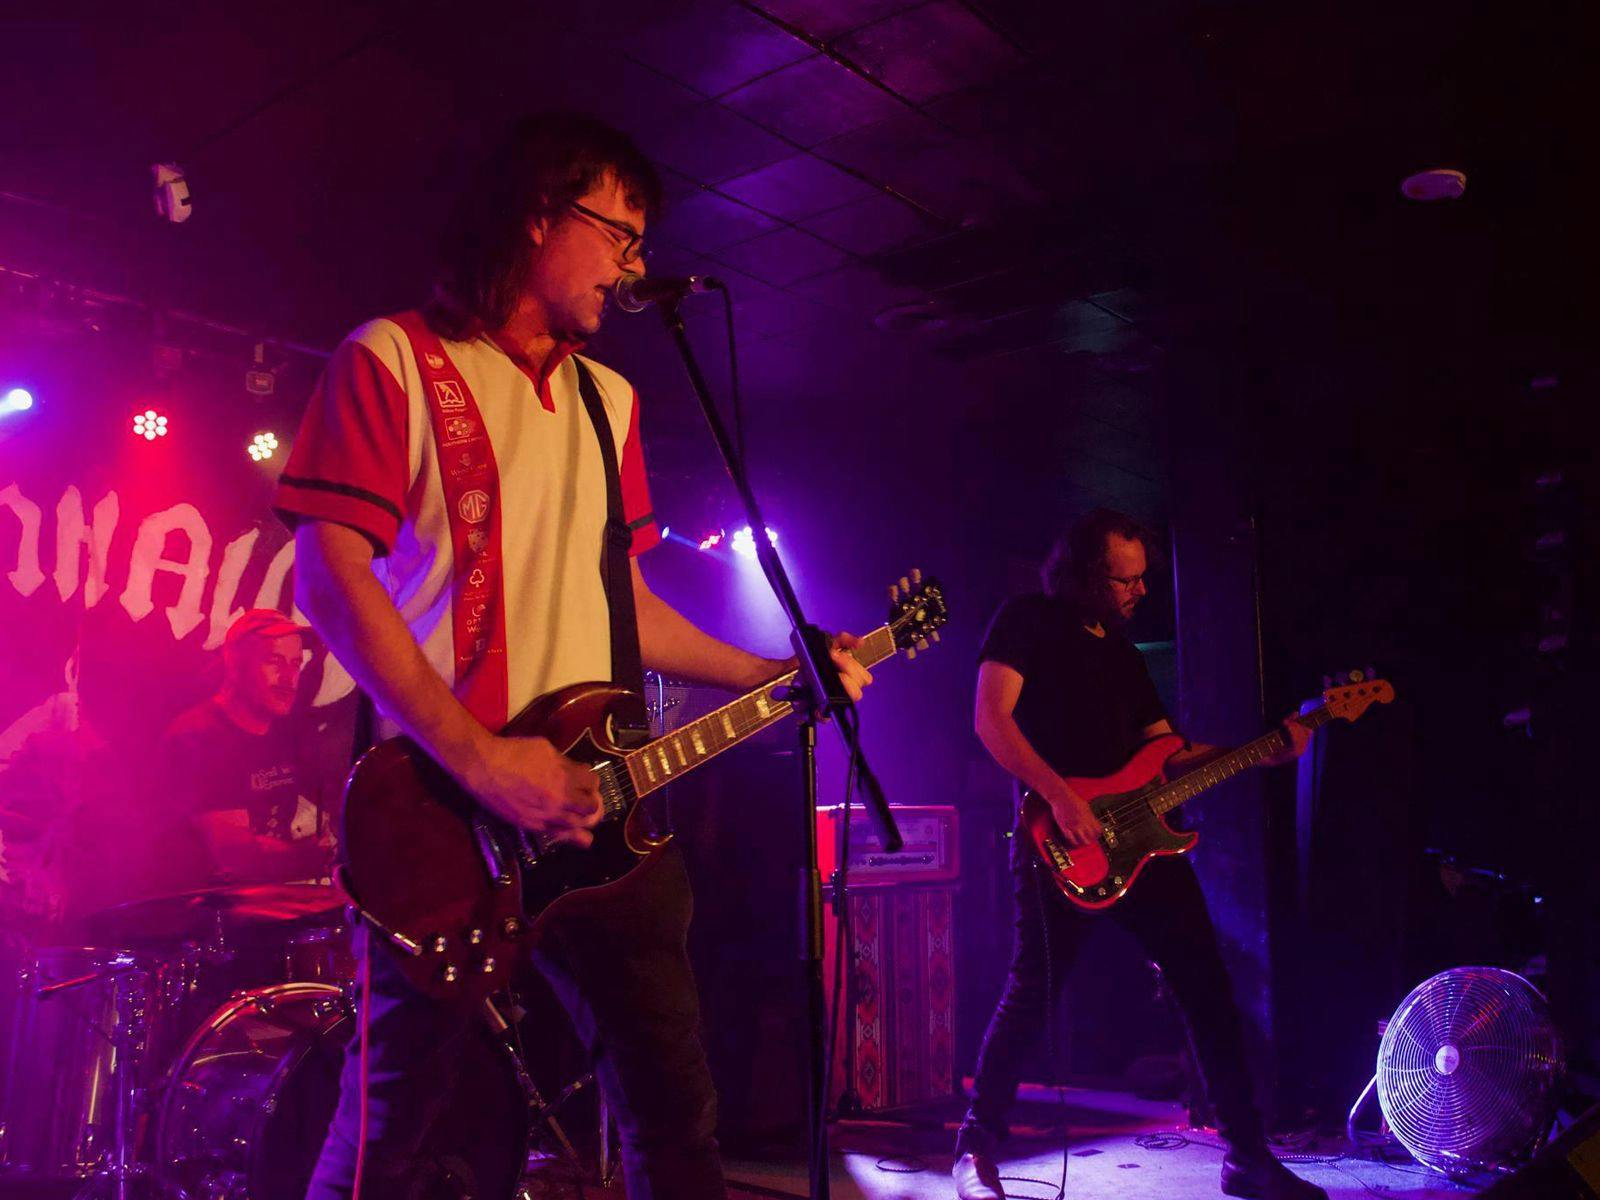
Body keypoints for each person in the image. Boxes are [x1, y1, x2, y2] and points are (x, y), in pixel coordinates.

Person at [273, 111, 871, 1200]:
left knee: (676, 1119)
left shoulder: (612, 400)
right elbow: (327, 576)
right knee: (392, 1124)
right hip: (446, 815)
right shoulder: (395, 357)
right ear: (541, 214)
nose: (636, 265)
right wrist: (483, 760)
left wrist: (773, 674)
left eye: (643, 242)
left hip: (606, 811)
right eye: (620, 233)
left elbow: (625, 604)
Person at [952, 510, 1326, 1200]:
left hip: (1145, 844)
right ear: (1086, 574)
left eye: (1142, 578)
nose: (1138, 591)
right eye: (1126, 579)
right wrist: (1061, 797)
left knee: (1208, 987)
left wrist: (1262, 750)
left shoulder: (1123, 654)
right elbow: (990, 718)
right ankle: (975, 1146)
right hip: (1059, 840)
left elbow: (1169, 752)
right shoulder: (1026, 619)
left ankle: (1245, 1155)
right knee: (1032, 992)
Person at [154, 608, 331, 888]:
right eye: (275, 662)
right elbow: (235, 857)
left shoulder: (286, 732)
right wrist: (315, 854)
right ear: (235, 664)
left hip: (270, 903)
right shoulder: (198, 737)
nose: (289, 678)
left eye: (295, 664)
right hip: (209, 915)